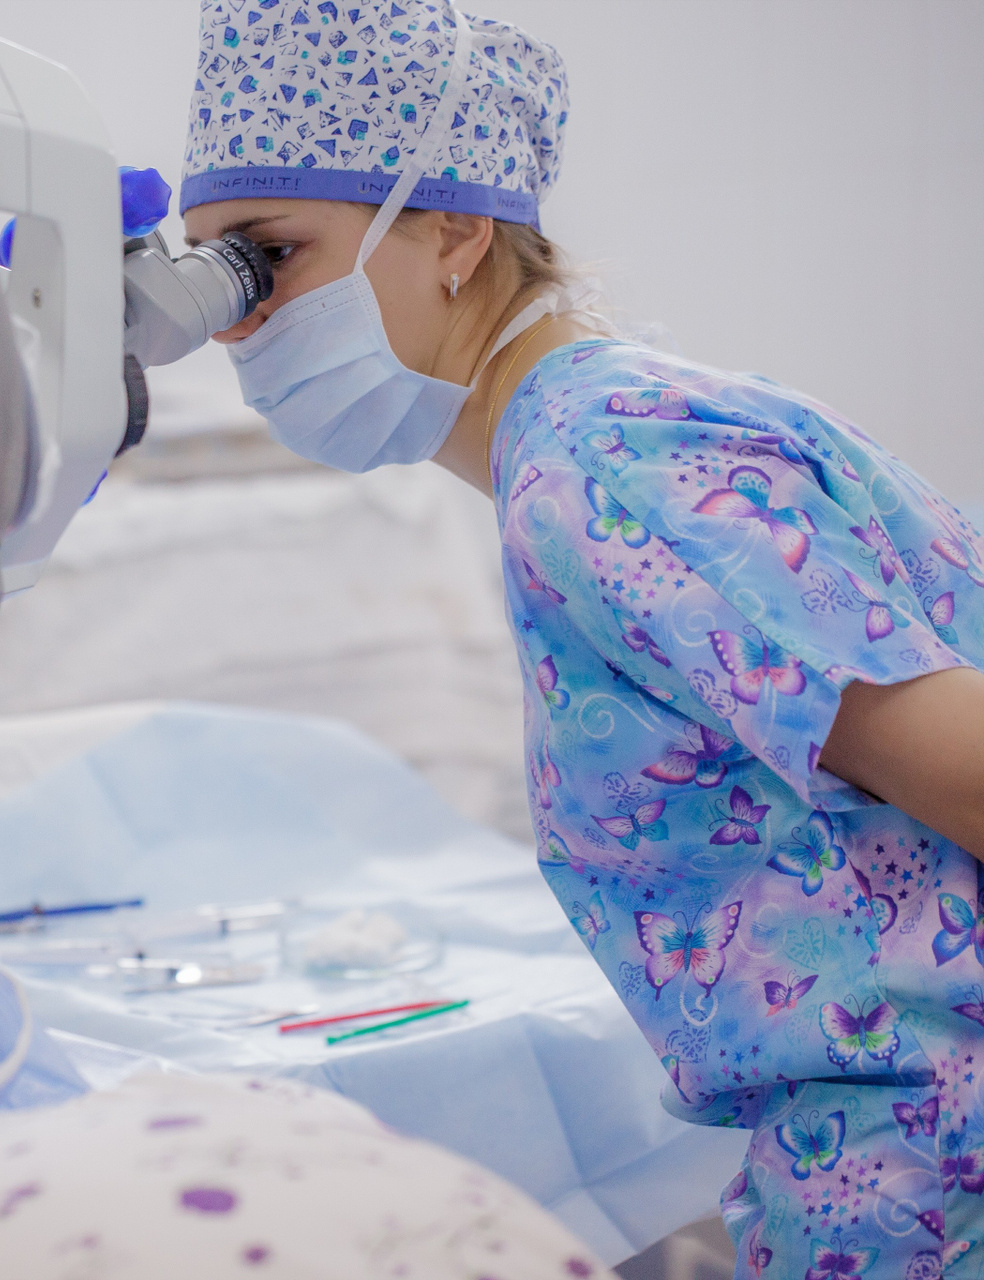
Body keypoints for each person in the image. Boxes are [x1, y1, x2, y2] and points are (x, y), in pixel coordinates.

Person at [177, 3, 984, 1278]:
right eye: (209, 272)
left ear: (453, 230)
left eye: (269, 255)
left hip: (930, 1175)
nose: (235, 321)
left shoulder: (604, 466)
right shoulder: (608, 428)